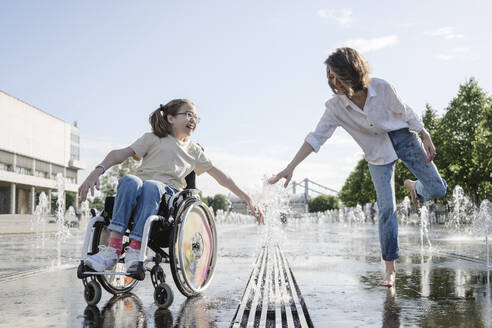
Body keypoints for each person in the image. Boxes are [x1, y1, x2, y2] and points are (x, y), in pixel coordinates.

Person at [269, 48, 446, 287]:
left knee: (438, 190)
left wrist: (425, 135)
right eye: (330, 77)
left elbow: (405, 111)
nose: (333, 82)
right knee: (386, 209)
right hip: (376, 154)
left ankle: (415, 186)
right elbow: (315, 138)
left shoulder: (382, 87)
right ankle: (390, 270)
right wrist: (290, 167)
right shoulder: (335, 107)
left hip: (403, 136)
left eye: (337, 75)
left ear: (353, 71)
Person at [79, 99, 265, 273]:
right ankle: (113, 249)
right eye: (188, 114)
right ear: (170, 118)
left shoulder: (194, 151)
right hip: (138, 190)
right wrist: (96, 171)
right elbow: (118, 155)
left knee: (152, 186)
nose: (193, 120)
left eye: (196, 117)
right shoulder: (152, 138)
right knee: (129, 180)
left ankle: (136, 249)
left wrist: (248, 199)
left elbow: (223, 178)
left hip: (167, 197)